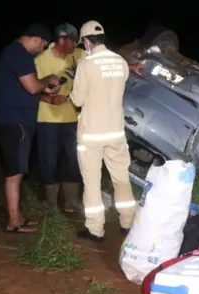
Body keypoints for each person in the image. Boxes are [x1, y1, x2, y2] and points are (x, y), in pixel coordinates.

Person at [69, 20, 136, 243]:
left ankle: (95, 230)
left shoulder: (86, 64)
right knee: (122, 180)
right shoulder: (121, 62)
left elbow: (77, 100)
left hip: (91, 135)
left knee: (92, 183)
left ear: (87, 41)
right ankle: (128, 223)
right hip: (116, 132)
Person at [0, 23, 62, 233]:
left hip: (15, 120)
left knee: (18, 170)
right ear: (36, 40)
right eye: (42, 46)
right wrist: (48, 79)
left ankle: (18, 216)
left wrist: (48, 97)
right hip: (15, 122)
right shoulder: (19, 54)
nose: (41, 50)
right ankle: (13, 220)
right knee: (15, 171)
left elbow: (24, 91)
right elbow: (32, 86)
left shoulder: (15, 53)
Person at [34, 23, 86, 212]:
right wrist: (49, 98)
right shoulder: (40, 60)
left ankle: (71, 200)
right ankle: (51, 203)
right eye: (73, 42)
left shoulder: (78, 56)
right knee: (48, 160)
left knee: (76, 158)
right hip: (47, 119)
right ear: (62, 41)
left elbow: (99, 64)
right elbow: (28, 90)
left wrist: (129, 66)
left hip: (73, 119)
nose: (76, 46)